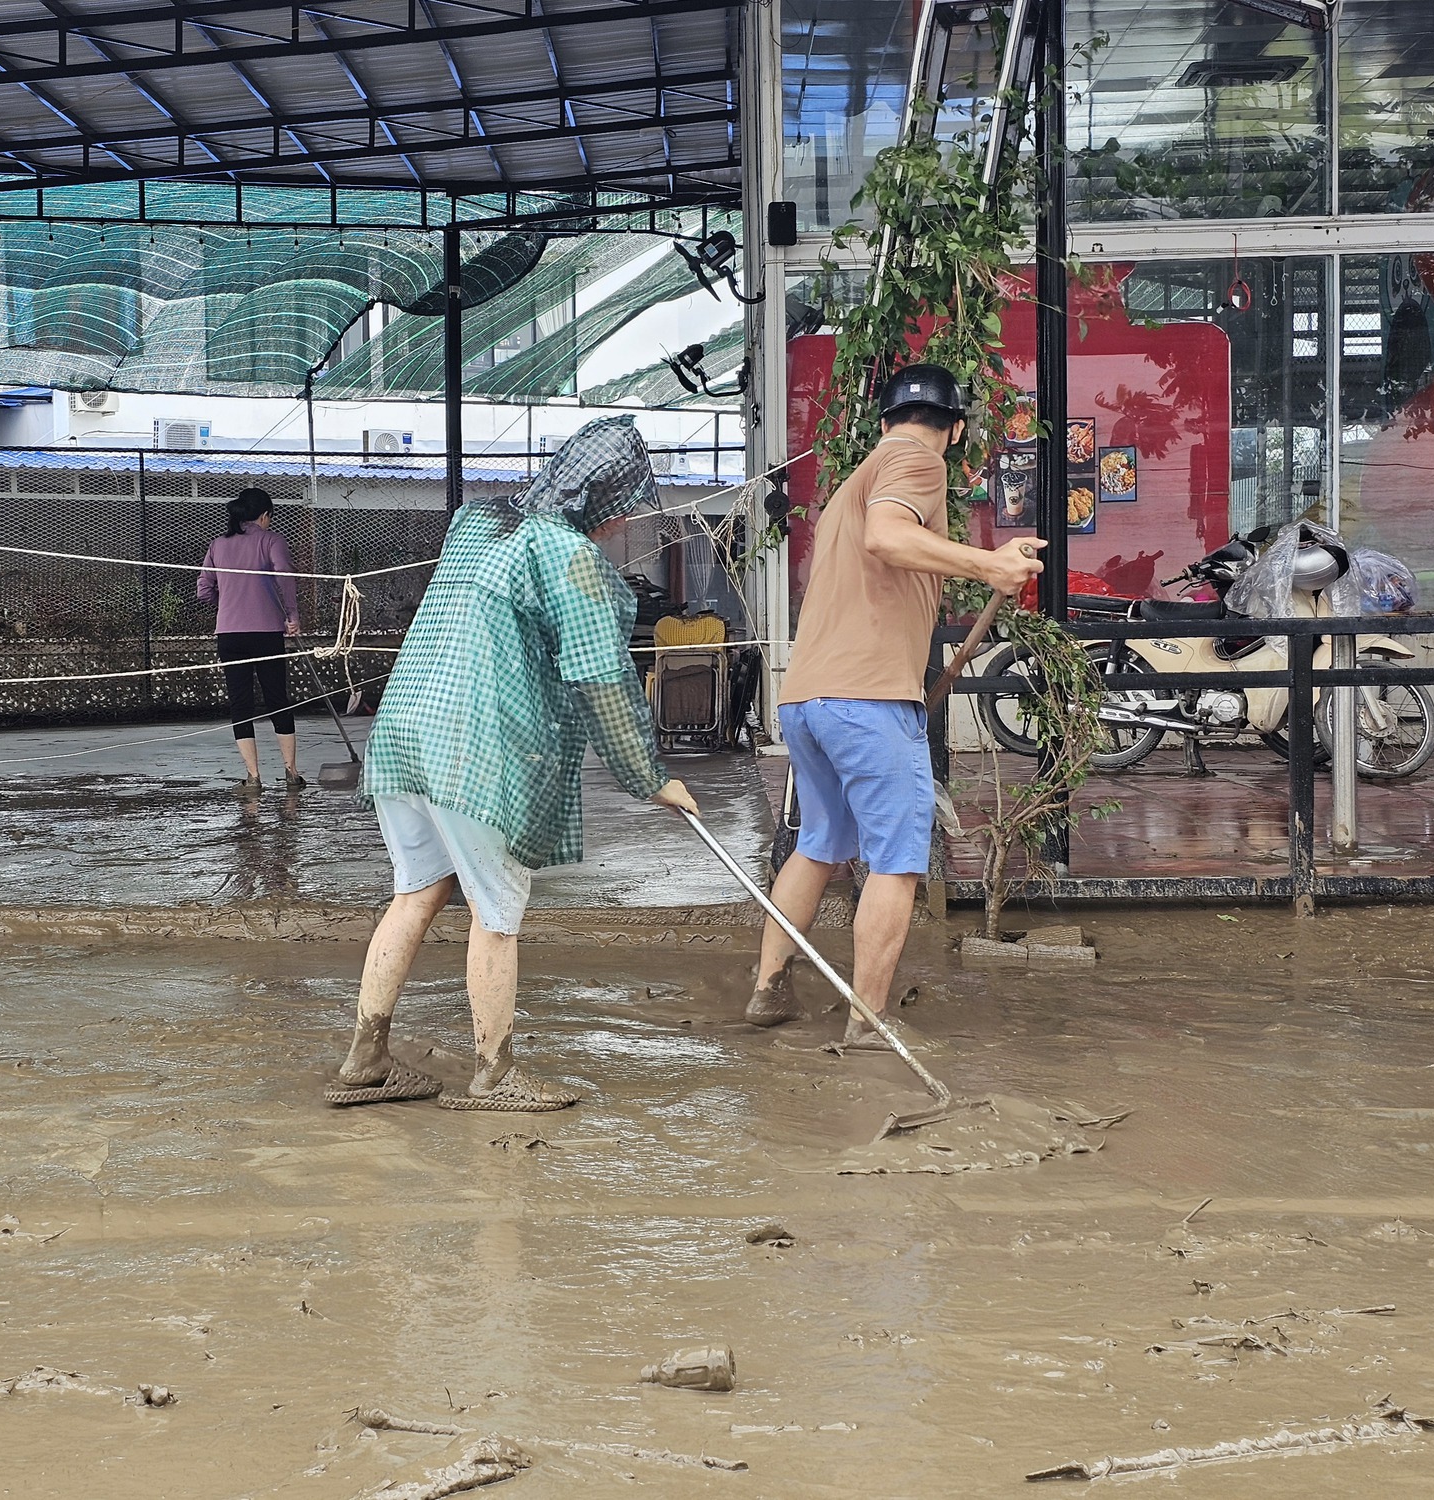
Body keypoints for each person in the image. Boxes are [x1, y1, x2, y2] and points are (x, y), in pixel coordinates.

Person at [326, 415, 698, 1112]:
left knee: (417, 892)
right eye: (623, 509)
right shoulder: (568, 555)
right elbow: (601, 679)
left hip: (406, 730)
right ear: (604, 502)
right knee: (496, 913)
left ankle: (367, 1057)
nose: (623, 524)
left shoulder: (476, 527)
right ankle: (495, 1074)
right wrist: (651, 778)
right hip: (475, 749)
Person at [748, 364, 1044, 1045]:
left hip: (809, 698)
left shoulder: (857, 477)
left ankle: (768, 987)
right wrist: (989, 565)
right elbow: (889, 536)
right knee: (898, 862)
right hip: (868, 702)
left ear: (882, 420)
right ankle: (867, 1021)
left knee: (820, 844)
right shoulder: (917, 460)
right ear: (959, 429)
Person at [198, 488, 302, 792]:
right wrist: (292, 616)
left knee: (240, 703)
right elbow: (286, 577)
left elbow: (204, 590)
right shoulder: (272, 540)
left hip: (230, 634)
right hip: (267, 632)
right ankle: (291, 772)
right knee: (277, 699)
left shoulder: (217, 545)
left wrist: (229, 599)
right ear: (265, 515)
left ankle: (253, 777)